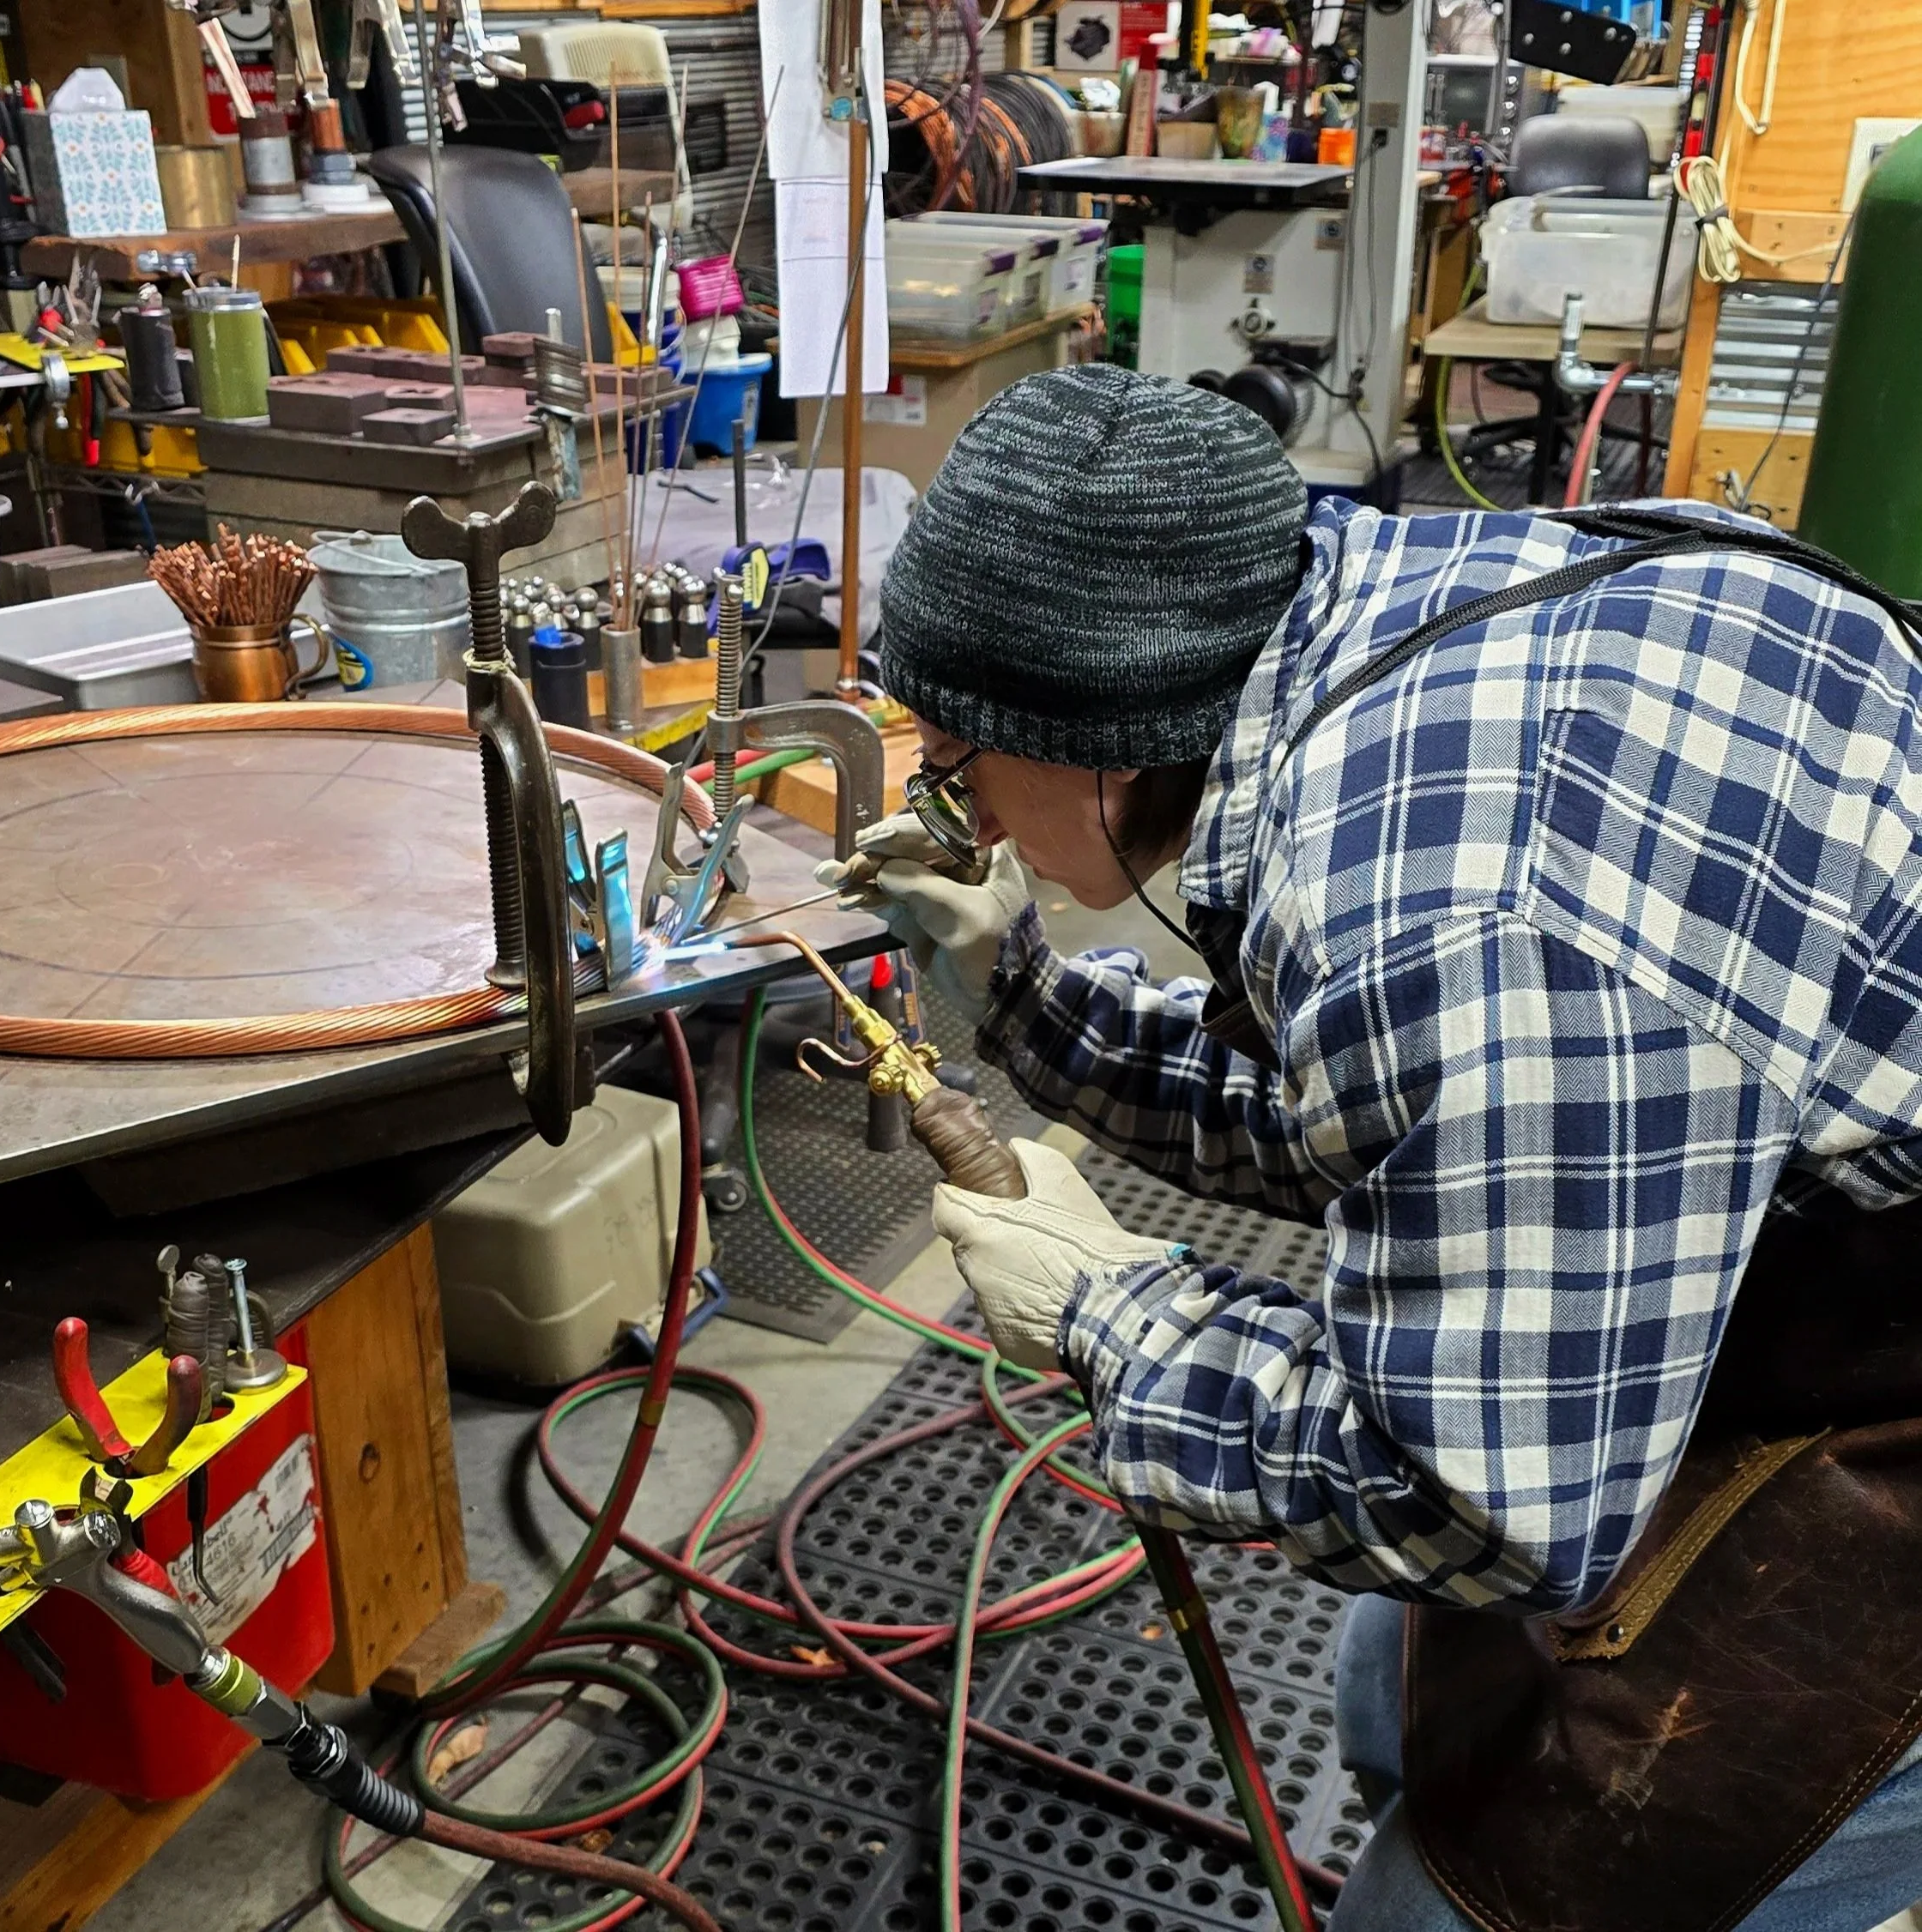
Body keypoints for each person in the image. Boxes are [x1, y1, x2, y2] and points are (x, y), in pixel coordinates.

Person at [821, 363, 1922, 1932]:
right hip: (1789, 1220)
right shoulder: (1373, 610)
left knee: (1444, 1911)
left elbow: (1481, 1496)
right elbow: (1413, 1123)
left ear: (1103, 753)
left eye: (962, 768)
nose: (965, 819)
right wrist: (1028, 999)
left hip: (1885, 1394)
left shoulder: (1451, 923)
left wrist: (1115, 1314)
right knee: (1384, 1699)